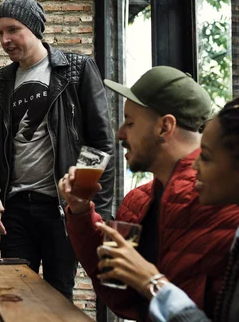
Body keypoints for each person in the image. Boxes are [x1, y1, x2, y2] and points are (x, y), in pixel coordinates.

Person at [59, 66, 239, 320]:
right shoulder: (137, 200)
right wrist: (79, 212)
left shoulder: (225, 205)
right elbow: (118, 294)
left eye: (130, 122)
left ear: (165, 127)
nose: (120, 133)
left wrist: (151, 281)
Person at [0, 0, 115, 300]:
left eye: (13, 29)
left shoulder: (76, 69)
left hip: (59, 208)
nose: (5, 40)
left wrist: (96, 210)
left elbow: (100, 144)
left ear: (35, 28)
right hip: (14, 207)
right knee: (11, 295)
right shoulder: (0, 81)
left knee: (57, 297)